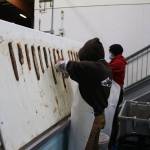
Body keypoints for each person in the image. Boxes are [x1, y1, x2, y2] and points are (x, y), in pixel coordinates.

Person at [55, 38, 112, 150]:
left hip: (90, 120)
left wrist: (60, 64)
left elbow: (65, 65)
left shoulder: (93, 68)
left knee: (85, 146)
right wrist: (72, 74)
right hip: (99, 116)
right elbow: (90, 81)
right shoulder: (106, 68)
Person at [108, 44, 127, 149]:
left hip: (116, 93)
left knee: (113, 118)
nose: (109, 53)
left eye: (110, 51)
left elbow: (106, 68)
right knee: (113, 117)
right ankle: (112, 141)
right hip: (116, 92)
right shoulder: (119, 60)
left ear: (114, 52)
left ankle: (112, 142)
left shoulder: (118, 62)